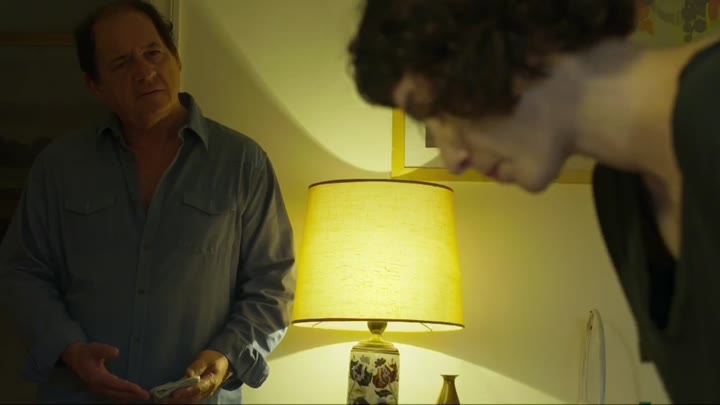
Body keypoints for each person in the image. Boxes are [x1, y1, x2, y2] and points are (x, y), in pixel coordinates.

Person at [347, 0, 720, 403]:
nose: (453, 159)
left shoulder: (709, 106)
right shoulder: (619, 194)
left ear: (498, 44)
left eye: (435, 111)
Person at [0, 0, 296, 403]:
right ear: (95, 85)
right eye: (121, 63)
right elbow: (23, 272)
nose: (144, 71)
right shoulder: (59, 167)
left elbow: (272, 286)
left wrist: (226, 357)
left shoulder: (243, 163)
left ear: (175, 58)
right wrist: (69, 348)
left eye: (153, 53)